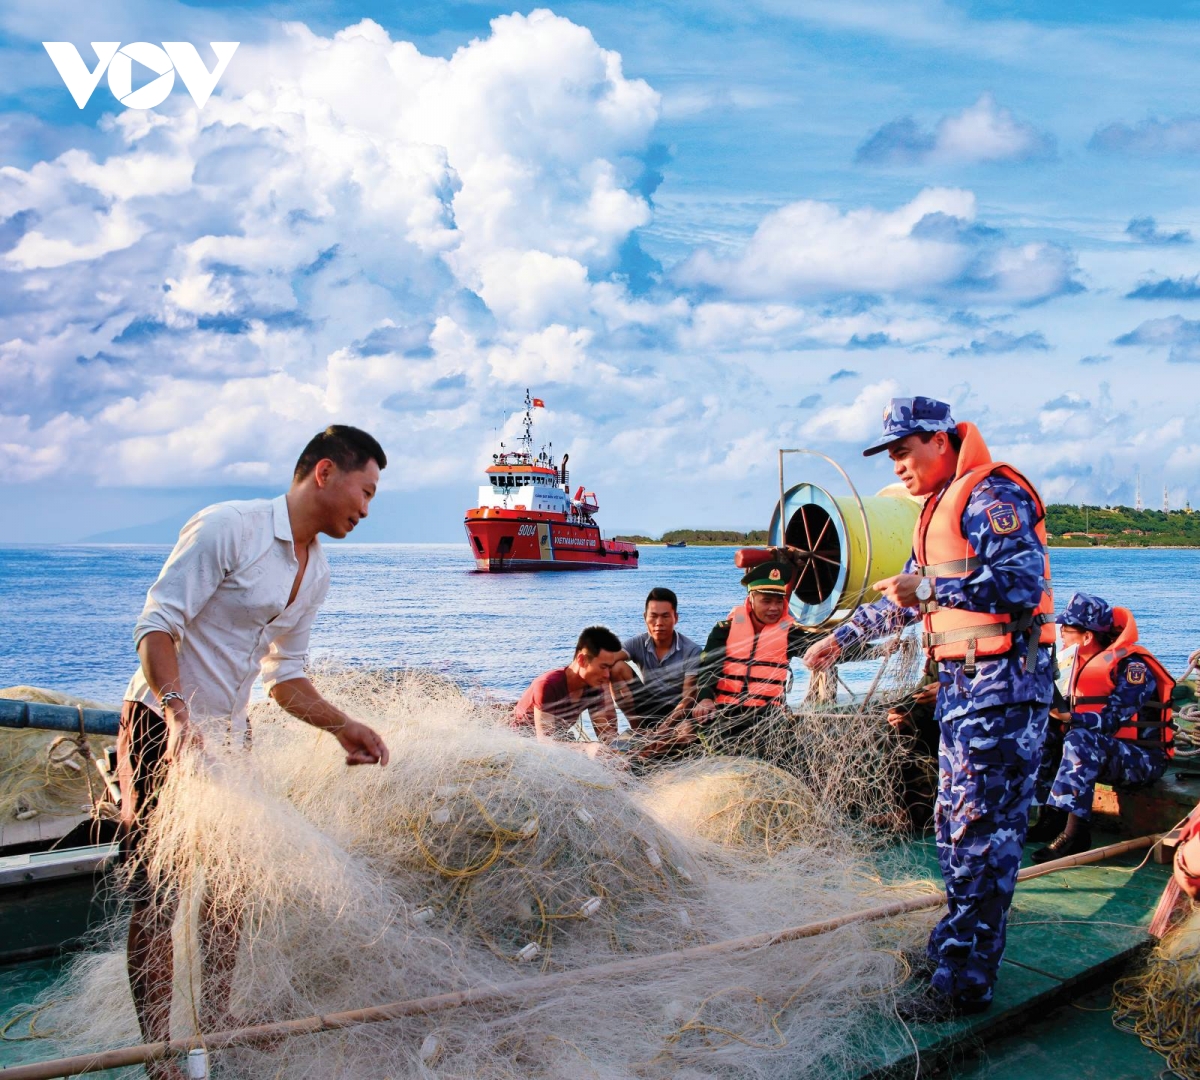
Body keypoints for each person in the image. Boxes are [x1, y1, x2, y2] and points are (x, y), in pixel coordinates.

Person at [119, 425, 391, 1080]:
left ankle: (218, 1017)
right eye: (366, 490)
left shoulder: (315, 571)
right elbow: (157, 626)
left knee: (231, 888)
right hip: (163, 723)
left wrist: (341, 725)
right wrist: (180, 715)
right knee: (159, 894)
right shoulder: (228, 528)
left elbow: (285, 677)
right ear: (324, 473)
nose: (367, 507)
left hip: (230, 737)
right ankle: (160, 1053)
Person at [803, 395, 1055, 1022]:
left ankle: (966, 981)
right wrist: (839, 640)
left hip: (1002, 691)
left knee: (979, 834)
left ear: (939, 441)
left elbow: (1021, 581)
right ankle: (955, 947)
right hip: (964, 692)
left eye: (903, 452)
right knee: (951, 826)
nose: (896, 468)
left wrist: (932, 587)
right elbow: (902, 597)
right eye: (890, 457)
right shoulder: (938, 511)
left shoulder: (994, 496)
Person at [1030, 592, 1175, 863]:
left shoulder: (1133, 668)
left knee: (1079, 739)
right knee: (1041, 730)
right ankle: (1050, 818)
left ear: (1087, 636)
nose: (1061, 634)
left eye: (1067, 629)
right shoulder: (1070, 664)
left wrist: (1071, 718)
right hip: (1102, 752)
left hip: (1141, 759)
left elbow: (1112, 721)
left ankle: (1075, 834)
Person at [694, 556, 816, 757]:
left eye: (779, 601)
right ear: (751, 599)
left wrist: (877, 648)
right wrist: (705, 699)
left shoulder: (790, 633)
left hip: (768, 716)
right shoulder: (724, 630)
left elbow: (823, 649)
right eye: (766, 601)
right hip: (726, 713)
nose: (774, 608)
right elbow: (709, 666)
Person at [611, 587, 701, 762]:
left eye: (665, 616)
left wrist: (663, 730)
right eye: (653, 616)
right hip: (648, 706)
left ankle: (648, 752)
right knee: (615, 667)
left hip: (677, 711)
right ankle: (636, 729)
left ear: (676, 618)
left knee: (687, 733)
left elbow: (688, 699)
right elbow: (609, 659)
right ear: (645, 617)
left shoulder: (692, 650)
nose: (658, 622)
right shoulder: (638, 642)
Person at [511, 625, 622, 750]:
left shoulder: (594, 689)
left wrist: (621, 751)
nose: (607, 675)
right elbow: (545, 742)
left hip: (557, 741)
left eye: (609, 668)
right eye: (603, 667)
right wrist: (587, 749)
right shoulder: (548, 685)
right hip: (518, 742)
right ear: (582, 660)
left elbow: (606, 735)